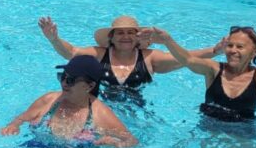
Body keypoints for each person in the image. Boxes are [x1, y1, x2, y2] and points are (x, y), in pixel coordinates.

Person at [38, 15, 225, 98]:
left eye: (130, 33)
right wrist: (54, 39)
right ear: (111, 37)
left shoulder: (150, 58)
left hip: (137, 112)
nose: (125, 37)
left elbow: (184, 57)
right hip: (101, 106)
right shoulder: (99, 54)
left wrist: (214, 51)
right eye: (120, 33)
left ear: (138, 38)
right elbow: (70, 52)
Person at [0, 55, 137, 148]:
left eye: (71, 80)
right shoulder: (49, 100)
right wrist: (13, 125)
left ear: (89, 86)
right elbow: (22, 118)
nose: (64, 83)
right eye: (62, 76)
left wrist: (116, 144)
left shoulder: (101, 114)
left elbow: (132, 142)